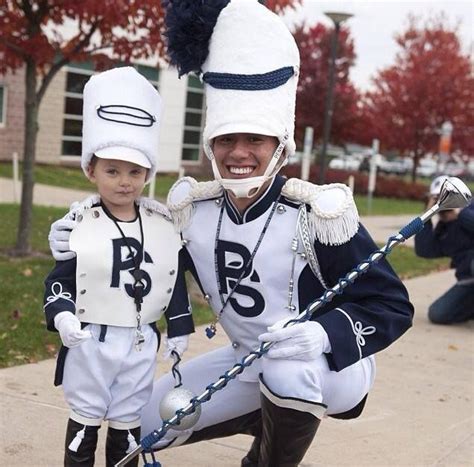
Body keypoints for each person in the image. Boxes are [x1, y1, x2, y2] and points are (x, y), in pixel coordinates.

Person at [49, 2, 414, 465]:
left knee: (286, 367)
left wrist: (321, 334)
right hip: (246, 362)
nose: (239, 152)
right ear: (211, 145)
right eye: (226, 139)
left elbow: (392, 305)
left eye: (255, 140)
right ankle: (261, 416)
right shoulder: (192, 212)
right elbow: (138, 248)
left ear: (279, 145)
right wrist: (78, 240)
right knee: (143, 422)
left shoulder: (318, 214)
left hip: (325, 366)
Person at [43, 67, 194, 467]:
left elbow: (170, 276)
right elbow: (59, 282)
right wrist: (62, 317)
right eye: (112, 170)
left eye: (135, 172)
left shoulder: (160, 225)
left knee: (127, 424)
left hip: (141, 340)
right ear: (91, 170)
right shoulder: (80, 224)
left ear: (148, 174)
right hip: (92, 338)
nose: (124, 182)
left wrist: (179, 327)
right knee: (85, 422)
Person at [414, 175, 474, 324]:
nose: (444, 203)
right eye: (438, 199)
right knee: (437, 313)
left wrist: (460, 212)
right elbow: (424, 250)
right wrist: (427, 216)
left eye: (448, 198)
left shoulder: (469, 210)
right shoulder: (444, 231)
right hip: (468, 282)